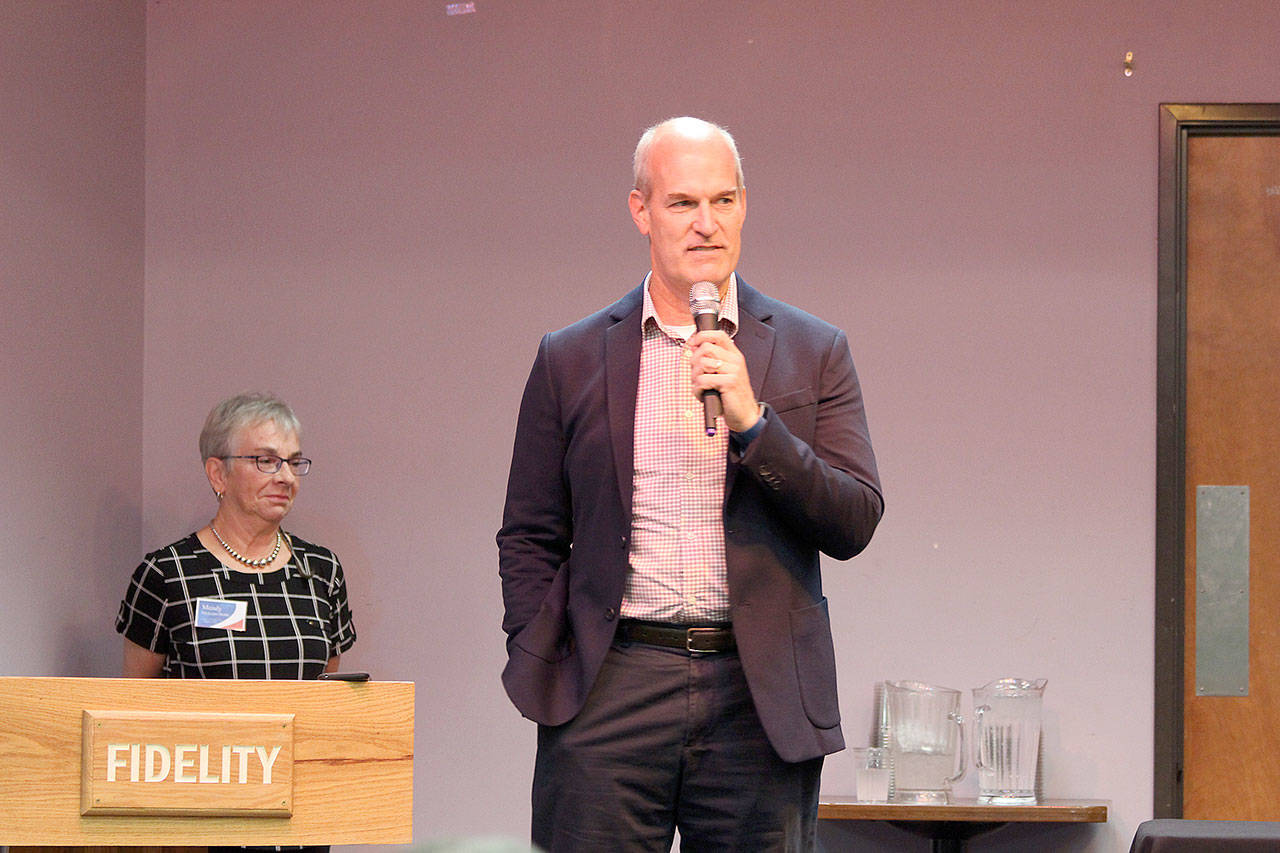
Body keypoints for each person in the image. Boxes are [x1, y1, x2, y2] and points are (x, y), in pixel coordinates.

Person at [497, 116, 883, 851]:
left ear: (744, 205)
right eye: (682, 204)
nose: (707, 223)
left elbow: (854, 518)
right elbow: (529, 531)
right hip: (612, 682)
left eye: (724, 201)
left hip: (758, 690)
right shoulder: (571, 356)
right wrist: (538, 644)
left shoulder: (813, 350)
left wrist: (756, 424)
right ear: (640, 210)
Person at [116, 391, 356, 679]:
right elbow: (136, 704)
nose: (287, 478)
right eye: (266, 461)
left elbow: (327, 698)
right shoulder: (166, 574)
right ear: (218, 474)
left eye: (293, 462)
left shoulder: (322, 570)